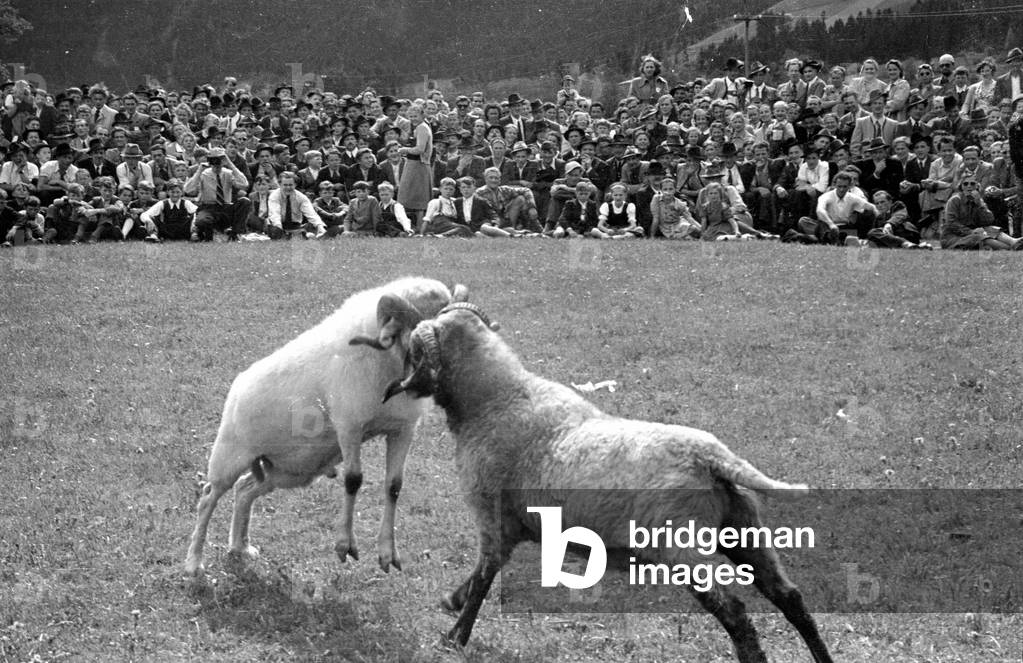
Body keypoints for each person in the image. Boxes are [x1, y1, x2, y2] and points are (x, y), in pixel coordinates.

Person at [182, 146, 251, 241]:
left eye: (219, 159)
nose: (216, 163)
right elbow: (188, 190)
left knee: (245, 201)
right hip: (208, 207)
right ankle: (205, 234)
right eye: (213, 159)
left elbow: (244, 184)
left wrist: (230, 164)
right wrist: (199, 171)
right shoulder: (204, 173)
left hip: (226, 207)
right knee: (202, 220)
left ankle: (235, 233)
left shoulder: (228, 173)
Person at [941, 173, 1021, 250]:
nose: (969, 186)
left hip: (972, 234)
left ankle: (1013, 242)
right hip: (952, 237)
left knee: (990, 229)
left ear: (976, 186)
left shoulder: (978, 200)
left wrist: (979, 204)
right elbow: (951, 223)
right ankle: (1011, 248)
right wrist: (971, 231)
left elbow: (989, 220)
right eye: (965, 184)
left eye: (972, 184)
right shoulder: (955, 200)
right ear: (961, 187)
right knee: (978, 236)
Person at [474, 166, 541, 233]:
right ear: (485, 179)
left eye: (496, 178)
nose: (493, 180)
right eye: (491, 178)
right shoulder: (479, 192)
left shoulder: (504, 190)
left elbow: (526, 190)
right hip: (489, 221)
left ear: (500, 180)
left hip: (506, 219)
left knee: (521, 199)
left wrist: (532, 207)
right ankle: (514, 231)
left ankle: (535, 229)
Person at [396, 104, 432, 228]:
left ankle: (419, 228)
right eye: (410, 116)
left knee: (419, 199)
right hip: (412, 164)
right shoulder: (416, 127)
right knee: (408, 197)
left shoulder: (422, 127)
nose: (413, 119)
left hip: (419, 165)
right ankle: (409, 227)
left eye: (415, 116)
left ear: (422, 115)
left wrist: (404, 150)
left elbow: (420, 149)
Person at [865, 190, 930, 249]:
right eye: (877, 203)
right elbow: (875, 233)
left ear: (890, 201)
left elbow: (900, 215)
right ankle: (913, 245)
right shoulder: (878, 217)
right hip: (892, 238)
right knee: (872, 233)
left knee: (874, 233)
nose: (880, 205)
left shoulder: (897, 205)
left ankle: (905, 243)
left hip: (905, 232)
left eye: (882, 202)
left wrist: (889, 224)